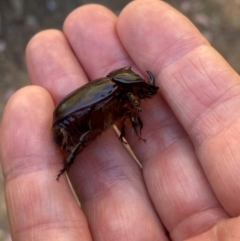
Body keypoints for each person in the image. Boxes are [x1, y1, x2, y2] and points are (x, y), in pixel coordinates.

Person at [1, 0, 240, 240]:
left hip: (71, 117)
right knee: (86, 137)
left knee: (92, 134)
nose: (141, 96)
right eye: (140, 89)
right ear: (129, 86)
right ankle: (65, 167)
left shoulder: (119, 94)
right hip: (69, 124)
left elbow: (126, 114)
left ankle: (67, 164)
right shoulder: (115, 91)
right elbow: (125, 112)